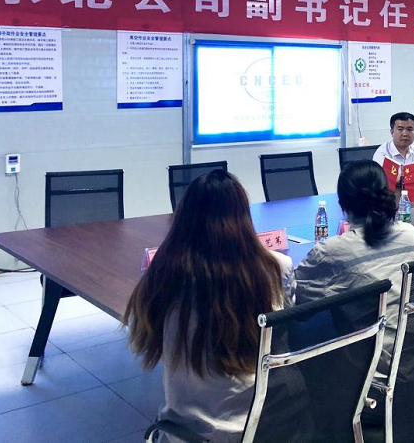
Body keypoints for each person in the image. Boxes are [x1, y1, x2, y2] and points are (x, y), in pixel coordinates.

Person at [124, 170, 294, 443]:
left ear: (184, 219)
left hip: (188, 435)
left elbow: (144, 334)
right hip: (263, 426)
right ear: (243, 216)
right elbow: (286, 331)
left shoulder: (164, 275)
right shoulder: (275, 268)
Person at [294, 160, 414, 377]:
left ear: (342, 204)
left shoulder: (332, 251)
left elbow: (295, 300)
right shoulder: (409, 232)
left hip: (379, 361)